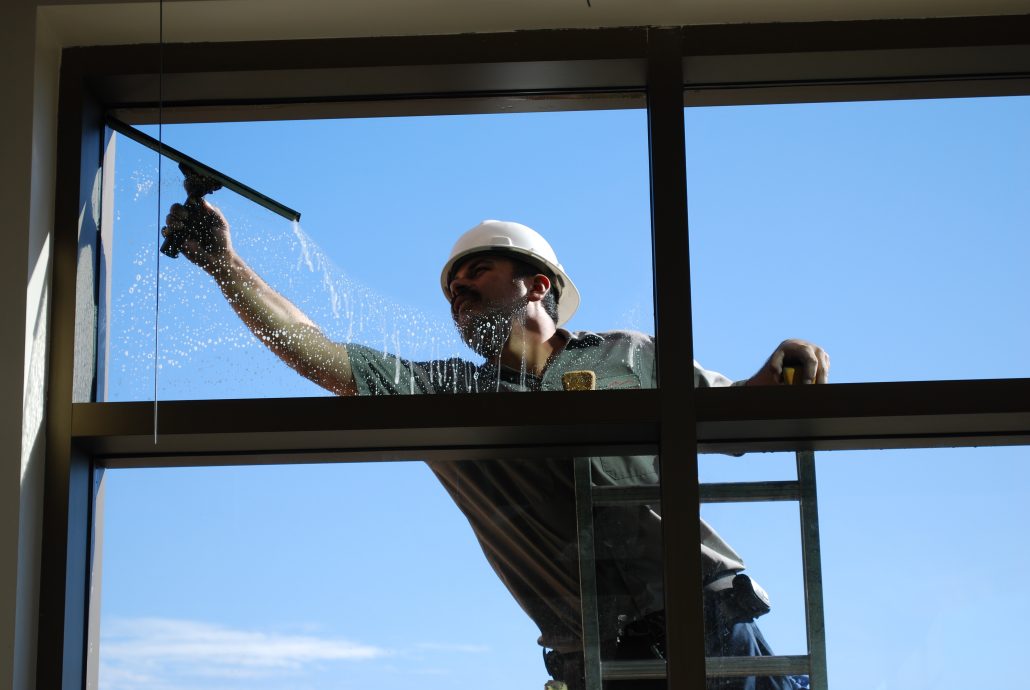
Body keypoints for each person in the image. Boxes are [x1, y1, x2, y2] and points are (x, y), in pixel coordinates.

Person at [164, 197, 829, 690]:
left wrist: (784, 369)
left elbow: (738, 417)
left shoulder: (630, 355)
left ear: (539, 284)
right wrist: (225, 265)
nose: (458, 292)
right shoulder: (444, 397)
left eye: (476, 273)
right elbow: (319, 354)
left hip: (705, 615)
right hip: (599, 657)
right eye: (453, 287)